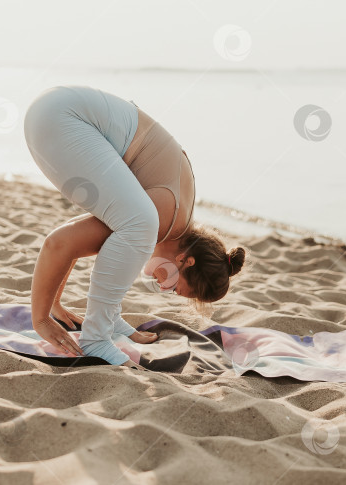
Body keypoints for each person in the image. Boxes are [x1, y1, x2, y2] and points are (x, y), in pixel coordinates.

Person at [23, 85, 246, 368]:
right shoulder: (160, 220)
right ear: (185, 261)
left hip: (57, 111)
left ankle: (107, 323)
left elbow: (75, 245)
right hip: (63, 119)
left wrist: (57, 305)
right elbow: (60, 243)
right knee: (141, 225)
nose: (163, 288)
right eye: (176, 288)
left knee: (134, 228)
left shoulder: (175, 215)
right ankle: (96, 337)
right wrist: (41, 319)